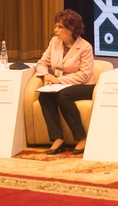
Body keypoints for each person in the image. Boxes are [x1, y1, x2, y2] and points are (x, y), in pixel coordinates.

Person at [34, 9, 97, 155]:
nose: (55, 30)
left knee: (63, 96)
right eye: (56, 26)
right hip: (60, 85)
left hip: (84, 86)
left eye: (60, 27)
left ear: (71, 29)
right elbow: (42, 63)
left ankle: (81, 138)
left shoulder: (85, 47)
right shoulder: (54, 42)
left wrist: (58, 80)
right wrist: (46, 76)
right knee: (44, 96)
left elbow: (84, 75)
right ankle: (58, 138)